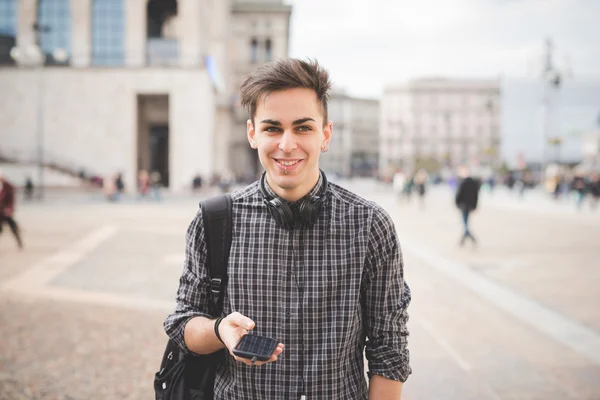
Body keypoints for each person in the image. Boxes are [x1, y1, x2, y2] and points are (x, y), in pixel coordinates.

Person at [164, 58, 411, 399]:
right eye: (272, 128)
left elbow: (389, 351)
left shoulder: (370, 225)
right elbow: (183, 323)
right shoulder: (214, 221)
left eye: (303, 127)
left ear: (326, 134)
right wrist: (221, 330)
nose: (287, 144)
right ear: (253, 133)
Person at [455, 166, 480, 247]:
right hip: (470, 205)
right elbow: (476, 195)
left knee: (465, 222)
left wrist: (457, 203)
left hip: (463, 205)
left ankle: (469, 236)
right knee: (466, 221)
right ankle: (464, 238)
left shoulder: (463, 182)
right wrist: (475, 205)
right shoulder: (473, 183)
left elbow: (458, 194)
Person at [0, 172, 24, 249]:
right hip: (1, 211)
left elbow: (11, 200)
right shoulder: (4, 187)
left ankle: (19, 242)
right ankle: (19, 242)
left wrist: (10, 209)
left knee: (13, 227)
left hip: (6, 211)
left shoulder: (8, 187)